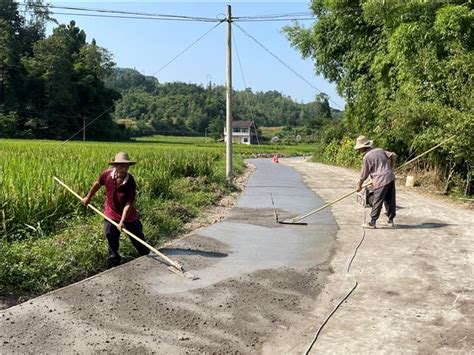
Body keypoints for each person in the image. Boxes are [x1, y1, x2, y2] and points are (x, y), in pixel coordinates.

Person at [82, 152, 149, 267]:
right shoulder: (106, 175)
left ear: (128, 166)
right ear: (115, 165)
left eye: (125, 166)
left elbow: (129, 203)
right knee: (110, 233)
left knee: (137, 234)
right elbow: (98, 184)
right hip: (111, 211)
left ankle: (146, 254)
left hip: (128, 214)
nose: (123, 168)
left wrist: (122, 221)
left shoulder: (130, 181)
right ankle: (114, 260)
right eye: (120, 165)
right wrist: (88, 197)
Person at [354, 136, 397, 229]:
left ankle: (372, 222)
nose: (359, 150)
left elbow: (363, 174)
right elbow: (393, 155)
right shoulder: (380, 150)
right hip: (390, 177)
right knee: (389, 199)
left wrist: (359, 185)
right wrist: (391, 168)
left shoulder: (367, 157)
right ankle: (390, 221)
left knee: (378, 199)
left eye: (359, 148)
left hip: (380, 180)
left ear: (362, 147)